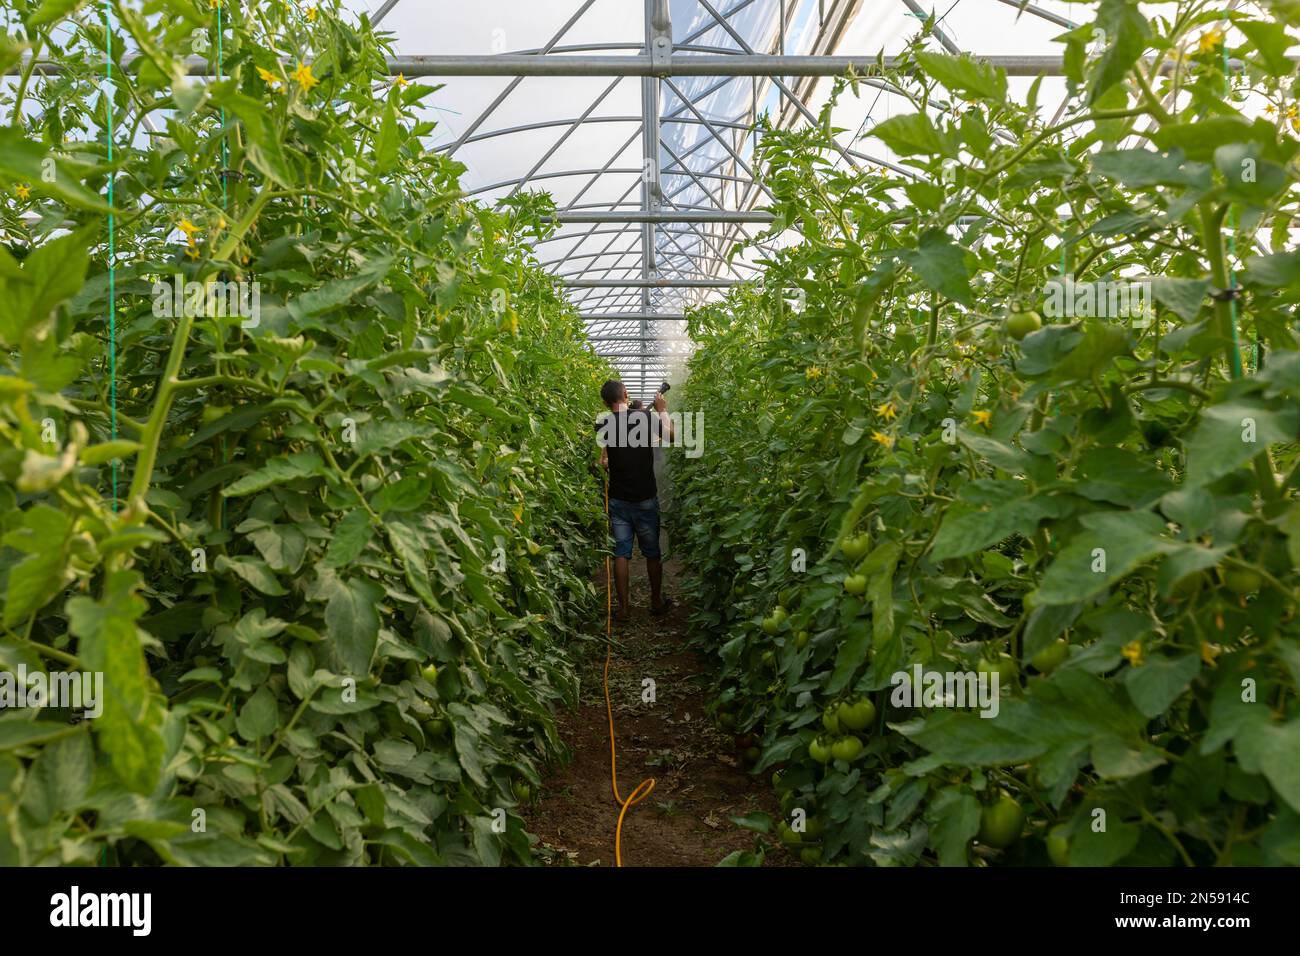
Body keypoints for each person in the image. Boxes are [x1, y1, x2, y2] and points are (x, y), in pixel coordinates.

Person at [596, 380, 675, 622]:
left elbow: (606, 458)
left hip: (619, 499)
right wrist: (661, 410)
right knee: (652, 553)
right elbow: (671, 437)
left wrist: (608, 463)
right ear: (626, 394)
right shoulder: (646, 418)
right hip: (644, 498)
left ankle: (623, 609)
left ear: (605, 402)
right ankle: (655, 602)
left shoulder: (602, 424)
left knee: (621, 553)